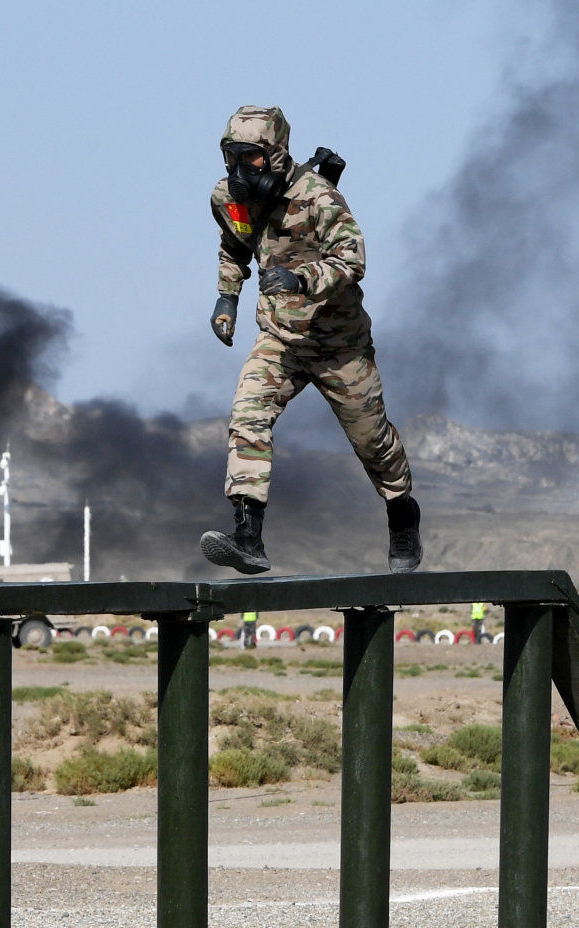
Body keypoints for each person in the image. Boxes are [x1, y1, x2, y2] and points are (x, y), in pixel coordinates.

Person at [199, 105, 421, 576]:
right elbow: (235, 246)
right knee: (247, 417)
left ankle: (402, 512)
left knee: (373, 443)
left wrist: (303, 279)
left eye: (252, 158)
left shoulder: (318, 196)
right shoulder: (228, 197)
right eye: (231, 157)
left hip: (340, 345)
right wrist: (226, 298)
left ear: (276, 155)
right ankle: (248, 536)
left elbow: (353, 259)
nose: (240, 169)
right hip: (280, 338)